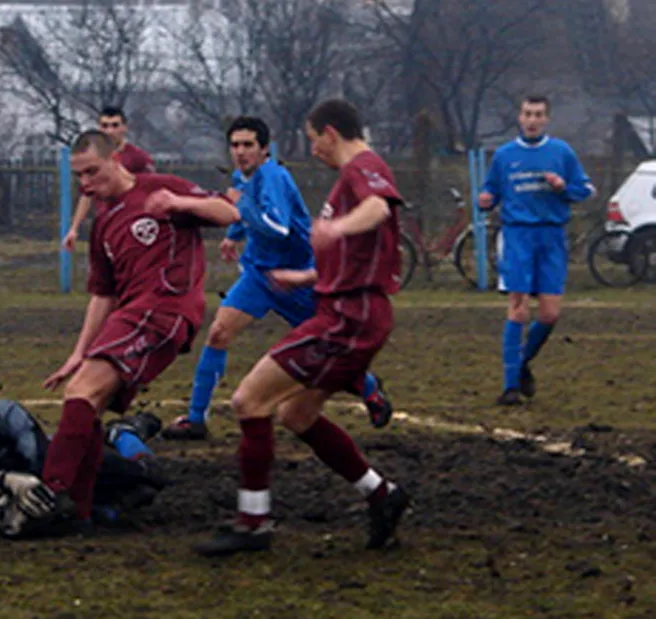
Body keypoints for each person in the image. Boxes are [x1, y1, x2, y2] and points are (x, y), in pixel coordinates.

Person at [194, 99, 410, 557]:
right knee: (295, 415)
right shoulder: (346, 178)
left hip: (348, 317)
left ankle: (253, 524)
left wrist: (336, 230)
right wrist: (308, 276)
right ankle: (382, 494)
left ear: (330, 133)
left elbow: (379, 209)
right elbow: (354, 249)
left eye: (313, 140)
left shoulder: (362, 169)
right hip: (345, 308)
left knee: (248, 400)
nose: (312, 150)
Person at [35, 129, 239, 533]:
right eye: (79, 177)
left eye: (92, 172)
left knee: (83, 390)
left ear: (117, 158)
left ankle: (49, 492)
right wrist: (79, 352)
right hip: (130, 316)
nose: (86, 184)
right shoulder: (104, 222)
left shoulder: (160, 188)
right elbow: (102, 296)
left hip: (166, 308)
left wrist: (178, 203)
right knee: (85, 398)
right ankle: (79, 512)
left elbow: (229, 213)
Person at [161, 116, 393, 441]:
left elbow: (277, 226)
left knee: (329, 348)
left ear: (264, 149)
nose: (240, 152)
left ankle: (369, 388)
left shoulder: (273, 176)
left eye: (248, 145)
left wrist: (242, 211)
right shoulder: (244, 177)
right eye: (235, 145)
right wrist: (233, 233)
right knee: (218, 332)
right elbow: (247, 214)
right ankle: (196, 419)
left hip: (294, 277)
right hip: (259, 275)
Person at [478, 95, 595, 406]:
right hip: (517, 236)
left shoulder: (561, 152)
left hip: (552, 237)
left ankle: (522, 363)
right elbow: (491, 189)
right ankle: (509, 387)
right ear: (520, 117)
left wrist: (562, 187)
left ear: (546, 119)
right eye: (528, 113)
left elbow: (585, 190)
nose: (532, 119)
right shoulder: (504, 156)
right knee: (518, 308)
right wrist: (485, 199)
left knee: (549, 314)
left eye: (538, 114)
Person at [0, 376, 166, 538]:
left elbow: (43, 461)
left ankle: (125, 433)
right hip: (53, 490)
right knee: (106, 510)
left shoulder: (11, 415)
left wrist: (8, 485)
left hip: (67, 465)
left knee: (144, 474)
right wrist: (3, 484)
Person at [61, 106, 156, 251]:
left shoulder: (138, 158)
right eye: (104, 126)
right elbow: (87, 195)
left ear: (124, 128)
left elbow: (151, 190)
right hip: (106, 223)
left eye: (115, 125)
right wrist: (74, 229)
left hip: (132, 224)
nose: (110, 131)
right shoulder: (94, 158)